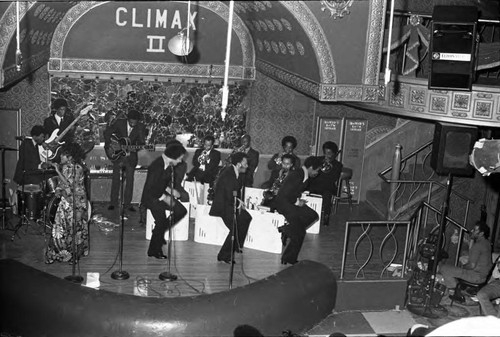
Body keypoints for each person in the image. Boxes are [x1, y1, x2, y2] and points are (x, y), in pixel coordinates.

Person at [140, 143, 188, 259]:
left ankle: (158, 233)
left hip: (161, 194)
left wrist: (171, 191)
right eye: (180, 159)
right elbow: (152, 187)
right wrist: (165, 197)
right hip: (152, 198)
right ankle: (154, 250)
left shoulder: (169, 165)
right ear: (173, 157)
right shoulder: (156, 166)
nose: (181, 162)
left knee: (181, 211)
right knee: (161, 222)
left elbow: (162, 182)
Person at [45, 142, 89, 264]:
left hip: (77, 203)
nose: (60, 157)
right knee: (59, 227)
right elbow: (61, 184)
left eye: (63, 155)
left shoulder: (78, 168)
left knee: (75, 229)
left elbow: (70, 184)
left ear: (70, 157)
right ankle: (56, 254)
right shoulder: (65, 167)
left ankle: (74, 256)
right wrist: (58, 191)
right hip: (65, 200)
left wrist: (57, 171)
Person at [270, 154, 318, 265]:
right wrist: (297, 202)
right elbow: (285, 193)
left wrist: (297, 200)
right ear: (311, 168)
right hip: (284, 204)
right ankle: (288, 258)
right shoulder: (298, 174)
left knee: (312, 215)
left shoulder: (302, 173)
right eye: (317, 170)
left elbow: (293, 191)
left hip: (290, 202)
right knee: (300, 232)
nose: (317, 172)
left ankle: (287, 229)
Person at [210, 152, 252, 264]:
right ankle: (224, 255)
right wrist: (237, 203)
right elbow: (229, 194)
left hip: (229, 203)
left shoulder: (235, 172)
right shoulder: (229, 174)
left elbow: (233, 191)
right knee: (234, 229)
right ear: (238, 164)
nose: (247, 166)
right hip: (223, 206)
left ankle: (237, 245)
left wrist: (238, 200)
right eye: (245, 164)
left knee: (246, 217)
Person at [104, 109, 148, 212]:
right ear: (128, 119)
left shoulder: (140, 127)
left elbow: (142, 143)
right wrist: (109, 146)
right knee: (115, 179)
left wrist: (135, 148)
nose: (133, 124)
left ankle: (127, 204)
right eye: (131, 122)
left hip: (130, 157)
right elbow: (107, 133)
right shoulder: (119, 123)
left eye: (135, 123)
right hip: (117, 155)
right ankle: (113, 203)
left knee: (130, 181)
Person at [439, 221, 493, 295]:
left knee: (443, 268)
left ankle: (454, 291)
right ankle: (456, 287)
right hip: (483, 276)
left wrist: (463, 268)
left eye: (475, 230)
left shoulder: (477, 246)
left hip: (475, 276)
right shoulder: (487, 243)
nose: (472, 231)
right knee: (458, 264)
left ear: (481, 233)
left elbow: (471, 266)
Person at [308, 141, 343, 226]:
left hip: (327, 186)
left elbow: (334, 178)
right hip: (315, 184)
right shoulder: (318, 160)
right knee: (305, 189)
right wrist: (318, 167)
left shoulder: (338, 165)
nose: (327, 155)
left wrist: (330, 166)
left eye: (329, 153)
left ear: (334, 154)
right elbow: (311, 173)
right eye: (325, 153)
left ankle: (326, 216)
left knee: (327, 194)